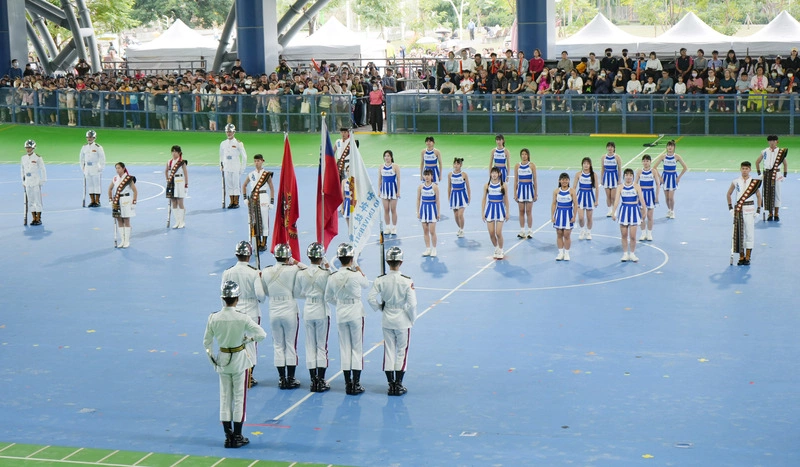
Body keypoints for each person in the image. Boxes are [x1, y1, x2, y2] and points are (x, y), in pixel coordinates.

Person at [203, 280, 266, 449]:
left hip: (223, 359)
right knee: (239, 398)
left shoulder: (213, 317)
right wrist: (249, 339)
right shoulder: (242, 318)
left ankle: (228, 435)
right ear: (237, 299)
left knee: (225, 398)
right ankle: (237, 435)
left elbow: (207, 342)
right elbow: (261, 334)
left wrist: (214, 361)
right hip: (239, 359)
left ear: (223, 298)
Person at [368, 246, 417, 396]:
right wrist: (412, 319)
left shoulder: (380, 280)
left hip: (387, 317)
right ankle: (399, 383)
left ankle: (390, 384)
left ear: (388, 262)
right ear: (401, 262)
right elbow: (412, 304)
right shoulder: (406, 281)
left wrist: (379, 307)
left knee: (389, 351)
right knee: (402, 351)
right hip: (402, 318)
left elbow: (370, 298)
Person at [324, 243, 370, 395]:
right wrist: (358, 268)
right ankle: (356, 383)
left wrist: (340, 304)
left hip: (342, 312)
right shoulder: (356, 275)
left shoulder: (333, 277)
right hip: (356, 312)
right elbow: (366, 284)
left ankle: (347, 383)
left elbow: (328, 297)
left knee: (345, 348)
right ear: (351, 259)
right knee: (357, 348)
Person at [257, 243, 305, 390]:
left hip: (274, 310)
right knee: (290, 344)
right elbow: (308, 270)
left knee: (278, 345)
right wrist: (295, 261)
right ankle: (291, 378)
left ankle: (281, 378)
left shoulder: (265, 272)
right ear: (288, 257)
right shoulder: (293, 270)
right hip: (289, 309)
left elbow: (263, 292)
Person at [221, 241, 264, 388]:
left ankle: (236, 373)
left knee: (235, 343)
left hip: (234, 310)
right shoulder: (254, 272)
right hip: (251, 310)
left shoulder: (228, 272)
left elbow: (223, 294)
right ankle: (249, 376)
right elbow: (261, 295)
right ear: (249, 255)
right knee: (250, 343)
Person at [296, 242, 333, 392]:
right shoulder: (325, 274)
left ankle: (313, 380)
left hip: (308, 309)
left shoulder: (301, 273)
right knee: (321, 346)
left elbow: (298, 292)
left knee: (310, 345)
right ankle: (321, 379)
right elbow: (331, 290)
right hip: (321, 309)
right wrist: (327, 266)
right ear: (322, 257)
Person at [727, 161, 763, 265]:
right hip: (739, 210)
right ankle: (741, 256)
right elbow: (729, 194)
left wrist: (758, 209)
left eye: (746, 169)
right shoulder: (735, 181)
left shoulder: (754, 182)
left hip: (750, 209)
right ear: (740, 169)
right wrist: (730, 208)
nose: (744, 170)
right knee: (739, 233)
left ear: (750, 170)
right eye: (743, 168)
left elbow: (759, 196)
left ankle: (748, 257)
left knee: (749, 233)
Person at [243, 154, 274, 251]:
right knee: (255, 220)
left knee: (264, 220)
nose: (257, 163)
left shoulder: (266, 174)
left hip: (263, 197)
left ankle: (264, 243)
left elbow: (272, 188)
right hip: (254, 199)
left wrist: (272, 201)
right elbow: (244, 185)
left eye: (258, 161)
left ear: (262, 161)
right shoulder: (251, 174)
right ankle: (258, 241)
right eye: (255, 161)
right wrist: (245, 198)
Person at [613, 168, 645, 262]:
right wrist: (614, 212)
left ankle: (632, 253)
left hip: (634, 211)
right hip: (624, 211)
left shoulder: (637, 186)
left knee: (633, 236)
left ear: (633, 177)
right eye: (627, 175)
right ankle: (625, 254)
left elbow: (642, 199)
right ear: (624, 176)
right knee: (624, 235)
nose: (628, 177)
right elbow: (617, 200)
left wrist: (645, 211)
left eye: (630, 175)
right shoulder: (620, 187)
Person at [755, 134, 788, 221]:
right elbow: (757, 162)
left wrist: (784, 175)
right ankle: (770, 213)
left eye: (774, 141)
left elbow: (785, 164)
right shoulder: (764, 151)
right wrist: (759, 173)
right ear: (768, 142)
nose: (772, 143)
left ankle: (776, 213)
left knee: (777, 193)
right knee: (768, 194)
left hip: (776, 175)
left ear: (777, 141)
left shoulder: (780, 152)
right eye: (770, 141)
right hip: (767, 174)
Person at [652, 140, 688, 219]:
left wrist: (678, 177)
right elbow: (654, 167)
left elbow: (685, 167)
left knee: (671, 197)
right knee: (667, 197)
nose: (670, 147)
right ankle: (669, 210)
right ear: (666, 147)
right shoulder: (663, 157)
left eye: (671, 146)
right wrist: (660, 177)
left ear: (674, 147)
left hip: (673, 178)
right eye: (668, 146)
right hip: (665, 178)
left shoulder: (677, 157)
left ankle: (672, 211)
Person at [482, 166, 510, 259]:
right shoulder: (487, 185)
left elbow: (506, 199)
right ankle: (496, 248)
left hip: (500, 210)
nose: (494, 174)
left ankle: (501, 250)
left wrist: (507, 212)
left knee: (498, 233)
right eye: (492, 173)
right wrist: (483, 212)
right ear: (490, 174)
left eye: (495, 173)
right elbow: (484, 199)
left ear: (499, 174)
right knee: (491, 233)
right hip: (490, 209)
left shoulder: (503, 185)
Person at [108, 162, 137, 248]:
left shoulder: (128, 178)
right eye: (116, 168)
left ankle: (127, 241)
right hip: (117, 200)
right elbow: (110, 189)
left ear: (123, 168)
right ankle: (122, 240)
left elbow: (135, 191)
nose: (117, 170)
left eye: (119, 168)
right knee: (119, 220)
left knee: (126, 220)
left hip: (126, 200)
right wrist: (110, 199)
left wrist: (134, 202)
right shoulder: (115, 178)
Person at [220, 123, 247, 209]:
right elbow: (221, 155)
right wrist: (221, 165)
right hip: (227, 165)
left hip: (235, 165)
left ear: (234, 132)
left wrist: (242, 168)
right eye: (227, 131)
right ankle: (231, 201)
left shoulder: (238, 143)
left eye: (230, 132)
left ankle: (236, 202)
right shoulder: (223, 143)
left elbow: (244, 156)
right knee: (229, 184)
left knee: (235, 184)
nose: (228, 133)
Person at [551, 172, 577, 261]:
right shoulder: (556, 191)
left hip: (568, 214)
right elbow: (554, 204)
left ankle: (567, 253)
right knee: (559, 234)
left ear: (569, 181)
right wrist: (552, 216)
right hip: (559, 214)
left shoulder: (572, 191)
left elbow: (576, 205)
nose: (564, 181)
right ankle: (560, 253)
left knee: (566, 235)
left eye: (566, 180)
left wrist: (574, 216)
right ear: (559, 181)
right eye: (563, 180)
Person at [636, 155, 661, 242]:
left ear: (650, 162)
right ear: (642, 162)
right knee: (642, 216)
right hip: (642, 195)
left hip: (650, 194)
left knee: (650, 216)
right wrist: (636, 197)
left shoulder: (653, 171)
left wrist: (657, 196)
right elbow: (635, 185)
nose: (645, 162)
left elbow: (658, 184)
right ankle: (643, 233)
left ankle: (649, 233)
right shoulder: (639, 171)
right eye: (644, 161)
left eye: (647, 161)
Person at [21, 140, 46, 226]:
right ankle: (33, 218)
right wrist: (23, 181)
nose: (28, 149)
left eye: (29, 147)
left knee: (37, 201)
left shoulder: (37, 157)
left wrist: (42, 181)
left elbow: (43, 169)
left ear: (33, 148)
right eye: (27, 147)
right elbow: (22, 170)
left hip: (35, 181)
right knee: (31, 201)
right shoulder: (23, 158)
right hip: (28, 182)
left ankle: (39, 218)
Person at [514, 148, 538, 239]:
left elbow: (535, 180)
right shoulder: (517, 166)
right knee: (521, 211)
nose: (524, 156)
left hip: (529, 190)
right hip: (520, 189)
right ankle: (522, 230)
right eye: (522, 154)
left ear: (528, 155)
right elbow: (516, 180)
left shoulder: (532, 165)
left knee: (528, 211)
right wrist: (515, 193)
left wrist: (535, 193)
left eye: (525, 154)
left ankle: (530, 230)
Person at [573, 157, 599, 240]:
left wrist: (596, 200)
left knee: (589, 217)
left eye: (587, 164)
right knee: (580, 217)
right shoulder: (578, 174)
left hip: (590, 197)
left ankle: (588, 232)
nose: (586, 165)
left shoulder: (593, 174)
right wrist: (573, 199)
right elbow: (574, 187)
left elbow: (597, 188)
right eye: (584, 163)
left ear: (590, 165)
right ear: (582, 164)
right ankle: (582, 230)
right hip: (580, 196)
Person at [417, 169, 440, 257]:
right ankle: (428, 248)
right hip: (423, 209)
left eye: (428, 175)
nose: (427, 177)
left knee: (432, 231)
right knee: (425, 230)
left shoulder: (435, 187)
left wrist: (438, 212)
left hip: (432, 210)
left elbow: (437, 200)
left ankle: (434, 248)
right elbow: (418, 199)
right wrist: (418, 211)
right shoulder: (420, 187)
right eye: (425, 175)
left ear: (432, 176)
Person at [79, 130, 105, 208]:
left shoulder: (98, 147)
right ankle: (92, 201)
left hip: (95, 167)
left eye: (91, 137)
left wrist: (101, 167)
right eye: (88, 137)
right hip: (87, 168)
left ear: (94, 138)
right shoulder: (84, 147)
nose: (89, 138)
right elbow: (81, 158)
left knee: (96, 185)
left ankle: (97, 201)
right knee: (90, 185)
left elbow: (102, 158)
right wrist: (82, 168)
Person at [165, 145, 188, 229]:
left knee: (180, 202)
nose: (174, 153)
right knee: (173, 202)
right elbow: (166, 171)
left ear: (179, 153)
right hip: (172, 182)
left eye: (175, 152)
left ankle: (182, 221)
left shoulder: (182, 162)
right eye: (173, 151)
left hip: (180, 181)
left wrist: (186, 185)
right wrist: (167, 179)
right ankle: (177, 221)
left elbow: (185, 174)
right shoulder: (169, 162)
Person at [379, 150, 400, 235]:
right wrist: (379, 191)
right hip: (384, 190)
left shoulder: (395, 166)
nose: (386, 157)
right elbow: (380, 179)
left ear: (391, 157)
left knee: (393, 209)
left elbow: (398, 179)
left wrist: (398, 191)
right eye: (385, 156)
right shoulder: (381, 166)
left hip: (393, 189)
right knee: (386, 209)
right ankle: (387, 227)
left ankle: (394, 227)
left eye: (388, 156)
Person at [448, 157, 471, 238]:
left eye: (458, 164)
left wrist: (469, 197)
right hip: (454, 196)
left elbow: (468, 187)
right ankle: (460, 228)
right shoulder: (450, 174)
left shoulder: (464, 174)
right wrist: (449, 197)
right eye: (455, 163)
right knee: (456, 215)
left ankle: (462, 229)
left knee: (460, 214)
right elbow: (449, 187)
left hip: (462, 195)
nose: (456, 165)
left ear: (461, 165)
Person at [600, 141, 622, 217]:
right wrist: (601, 179)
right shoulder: (603, 157)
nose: (610, 148)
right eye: (608, 147)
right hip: (606, 177)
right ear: (607, 148)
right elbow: (602, 168)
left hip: (614, 177)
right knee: (608, 196)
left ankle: (614, 210)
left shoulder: (617, 157)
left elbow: (619, 169)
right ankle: (609, 210)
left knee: (613, 196)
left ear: (614, 148)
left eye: (611, 147)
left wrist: (619, 179)